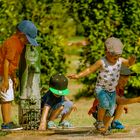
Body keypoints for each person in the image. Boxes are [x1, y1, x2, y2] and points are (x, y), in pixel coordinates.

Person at [68, 37, 136, 133]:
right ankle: (99, 122)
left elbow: (129, 63)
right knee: (104, 104)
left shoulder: (119, 60)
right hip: (101, 89)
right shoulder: (102, 62)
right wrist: (78, 75)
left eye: (117, 56)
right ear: (106, 52)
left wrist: (132, 59)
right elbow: (89, 70)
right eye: (113, 57)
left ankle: (105, 127)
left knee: (111, 110)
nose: (115, 59)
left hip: (111, 91)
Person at [0, 20, 38, 130]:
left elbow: (12, 64)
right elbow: (6, 62)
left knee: (7, 98)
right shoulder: (13, 43)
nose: (28, 42)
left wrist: (14, 77)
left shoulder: (19, 43)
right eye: (28, 39)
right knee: (6, 98)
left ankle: (7, 122)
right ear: (21, 35)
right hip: (2, 75)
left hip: (6, 74)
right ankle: (7, 123)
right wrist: (6, 80)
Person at [88, 65, 140, 130]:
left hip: (108, 109)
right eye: (125, 76)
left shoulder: (119, 87)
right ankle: (102, 122)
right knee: (114, 103)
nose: (127, 79)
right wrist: (137, 99)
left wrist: (123, 106)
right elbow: (119, 100)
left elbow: (120, 100)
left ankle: (114, 122)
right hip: (98, 111)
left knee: (118, 101)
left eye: (128, 77)